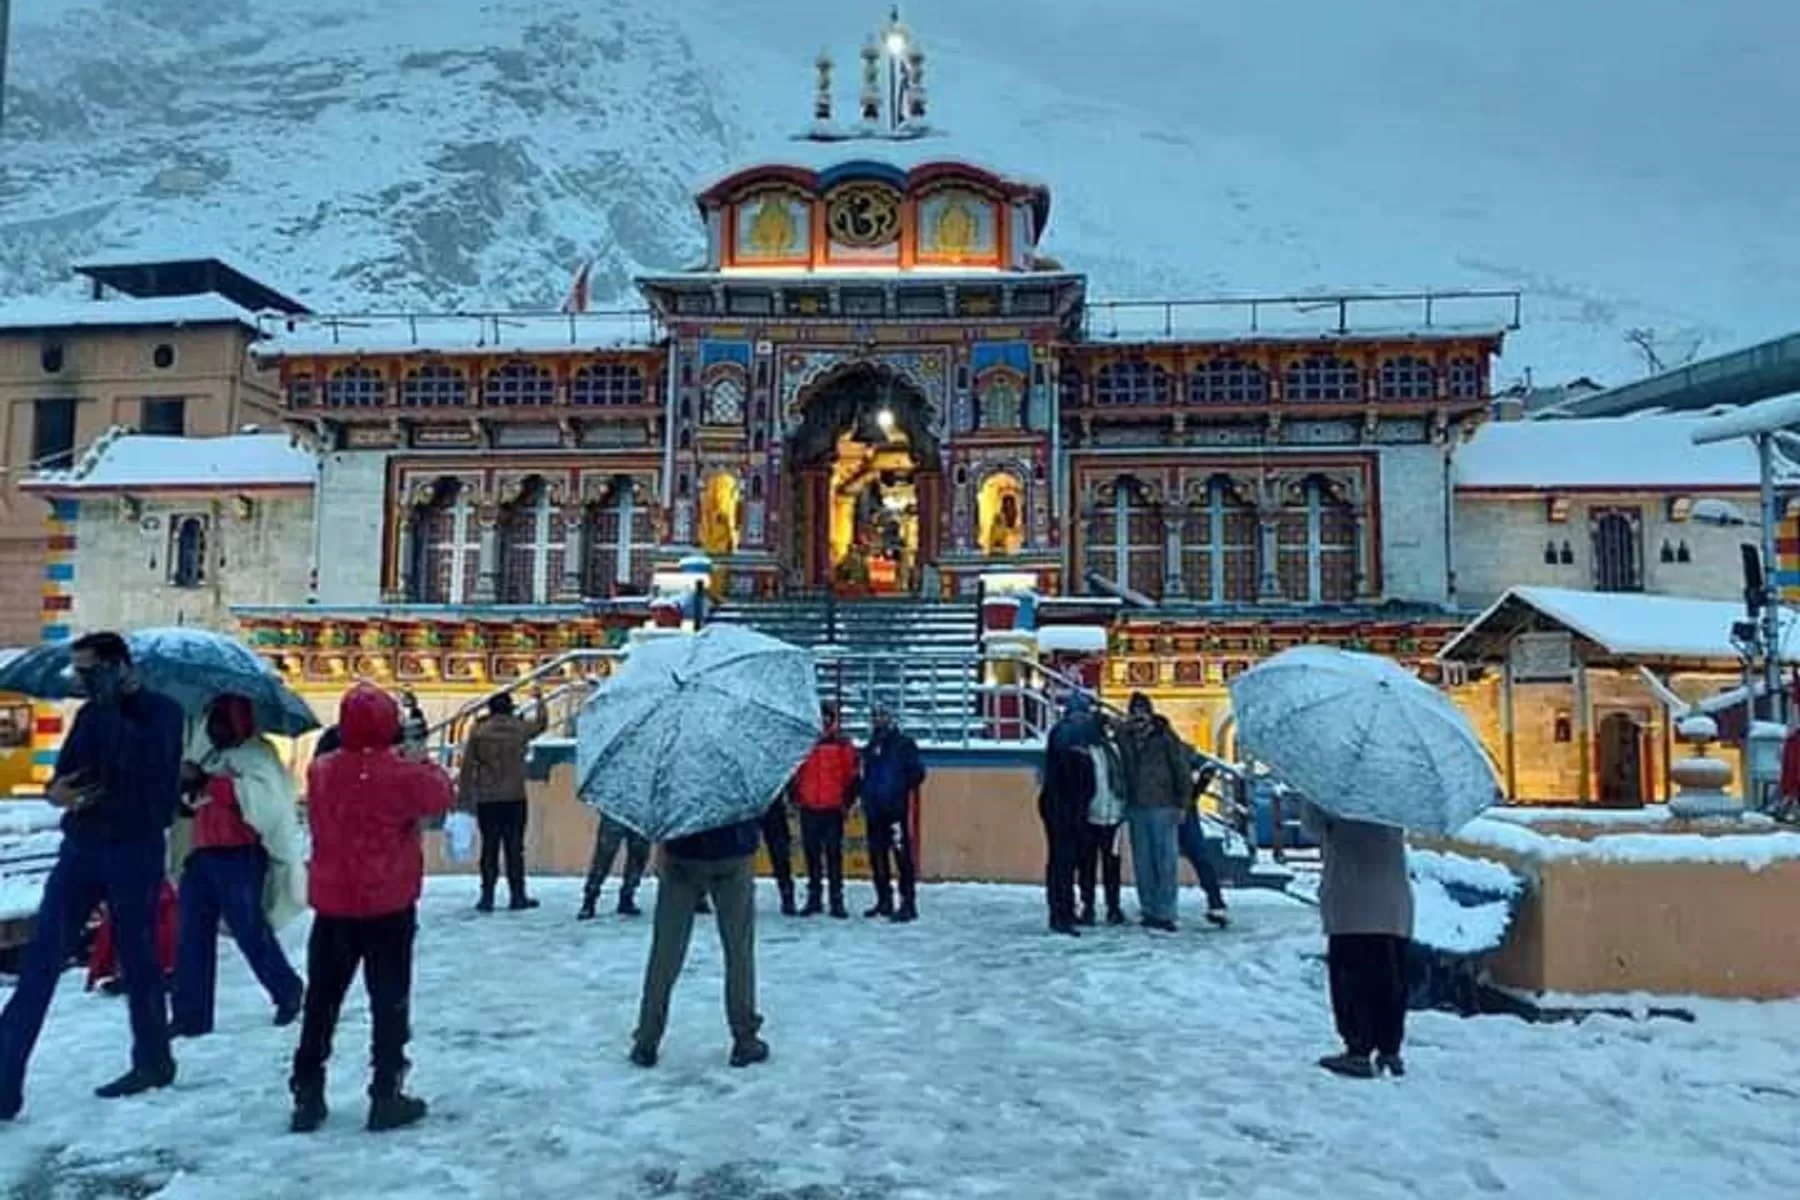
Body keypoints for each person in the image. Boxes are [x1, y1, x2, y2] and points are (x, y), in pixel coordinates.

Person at [0, 632, 184, 1119]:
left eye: (91, 671)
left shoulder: (162, 714)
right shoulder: (88, 716)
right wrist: (58, 792)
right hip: (82, 846)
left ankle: (153, 1059)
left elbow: (153, 779)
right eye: (79, 672)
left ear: (121, 667)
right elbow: (64, 772)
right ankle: (3, 1082)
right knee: (41, 961)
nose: (82, 680)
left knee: (139, 957)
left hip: (134, 848)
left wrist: (112, 711)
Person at [290, 683, 455, 1133]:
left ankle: (307, 1088)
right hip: (388, 904)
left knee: (322, 1001)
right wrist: (421, 758)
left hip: (334, 904)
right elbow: (441, 796)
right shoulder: (402, 774)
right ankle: (386, 1091)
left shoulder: (322, 770)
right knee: (388, 1002)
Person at [170, 694, 307, 1038]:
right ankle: (190, 1015)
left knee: (249, 931)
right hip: (200, 854)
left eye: (222, 722)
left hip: (240, 855)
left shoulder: (259, 755)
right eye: (212, 722)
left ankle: (287, 991)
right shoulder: (209, 757)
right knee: (191, 935)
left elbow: (267, 802)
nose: (215, 729)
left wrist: (216, 783)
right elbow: (187, 803)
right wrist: (189, 782)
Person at [629, 818, 767, 1070]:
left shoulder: (676, 777)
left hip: (683, 850)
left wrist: (661, 845)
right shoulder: (738, 777)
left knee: (665, 952)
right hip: (733, 848)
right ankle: (745, 1037)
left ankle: (647, 1040)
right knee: (739, 951)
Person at [1302, 801, 1415, 1079]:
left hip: (1351, 896)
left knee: (1352, 980)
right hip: (1392, 899)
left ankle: (1358, 1050)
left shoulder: (1332, 787)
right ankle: (1390, 1050)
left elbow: (1311, 827)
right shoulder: (1394, 786)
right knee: (1390, 979)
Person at [457, 689, 546, 913]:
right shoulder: (519, 729)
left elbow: (467, 767)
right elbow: (542, 724)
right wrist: (539, 700)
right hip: (515, 797)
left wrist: (463, 797)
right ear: (510, 708)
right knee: (515, 848)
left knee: (489, 847)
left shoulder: (479, 731)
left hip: (488, 798)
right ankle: (518, 896)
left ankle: (487, 897)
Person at [1117, 691, 1187, 932]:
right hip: (1136, 805)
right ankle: (1148, 908)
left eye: (1142, 711)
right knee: (1143, 861)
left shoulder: (1165, 736)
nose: (1138, 716)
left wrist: (1182, 803)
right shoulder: (1124, 737)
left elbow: (1180, 768)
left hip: (1163, 804)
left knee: (1165, 860)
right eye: (1134, 711)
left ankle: (1166, 911)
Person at [790, 704, 858, 919]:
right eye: (821, 717)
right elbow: (794, 771)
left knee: (833, 856)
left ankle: (837, 899)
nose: (824, 720)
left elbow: (852, 775)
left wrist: (847, 801)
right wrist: (794, 795)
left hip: (832, 809)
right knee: (811, 855)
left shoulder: (842, 744)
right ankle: (814, 898)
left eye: (827, 716)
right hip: (809, 807)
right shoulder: (803, 742)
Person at [1039, 694, 1099, 936]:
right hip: (1064, 807)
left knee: (1064, 862)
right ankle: (1061, 914)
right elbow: (1075, 775)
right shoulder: (1068, 736)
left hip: (1065, 805)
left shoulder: (1067, 733)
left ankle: (1064, 910)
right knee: (1063, 863)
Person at [859, 705, 925, 922]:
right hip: (875, 811)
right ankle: (884, 900)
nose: (879, 720)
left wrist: (899, 788)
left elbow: (918, 773)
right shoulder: (870, 746)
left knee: (901, 857)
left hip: (895, 811)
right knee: (877, 857)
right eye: (875, 716)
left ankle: (908, 903)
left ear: (892, 718)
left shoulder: (904, 744)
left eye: (883, 715)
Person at [1079, 714, 1128, 928]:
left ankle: (1113, 907)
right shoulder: (1084, 752)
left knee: (1112, 865)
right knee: (1087, 866)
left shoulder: (1114, 751)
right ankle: (1087, 906)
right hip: (1090, 816)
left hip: (1113, 816)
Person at [1178, 758, 1232, 928]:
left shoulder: (1173, 746)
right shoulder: (1177, 746)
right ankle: (1216, 902)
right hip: (1183, 805)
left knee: (1197, 856)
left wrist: (1196, 790)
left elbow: (1206, 765)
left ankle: (1216, 902)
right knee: (1199, 856)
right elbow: (1206, 765)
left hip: (1175, 806)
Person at [578, 810, 651, 920]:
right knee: (603, 858)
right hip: (616, 812)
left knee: (638, 858)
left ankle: (627, 897)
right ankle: (589, 900)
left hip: (641, 815)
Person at [759, 793, 798, 916]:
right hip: (749, 807)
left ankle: (787, 896)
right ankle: (737, 899)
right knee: (740, 858)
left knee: (780, 854)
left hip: (774, 807)